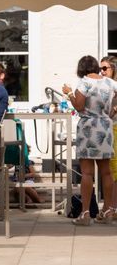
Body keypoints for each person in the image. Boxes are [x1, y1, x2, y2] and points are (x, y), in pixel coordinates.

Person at [62, 55, 116, 225]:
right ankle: (108, 210)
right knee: (106, 171)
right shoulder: (110, 83)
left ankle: (85, 214)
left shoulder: (85, 82)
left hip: (88, 128)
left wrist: (69, 93)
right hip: (105, 127)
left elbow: (78, 106)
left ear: (82, 69)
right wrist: (112, 112)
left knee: (87, 172)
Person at [100, 55, 117, 214]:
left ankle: (111, 207)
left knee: (113, 169)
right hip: (109, 128)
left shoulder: (114, 86)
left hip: (115, 128)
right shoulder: (105, 86)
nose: (102, 71)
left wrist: (109, 114)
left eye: (105, 68)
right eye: (101, 69)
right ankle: (109, 207)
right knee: (111, 169)